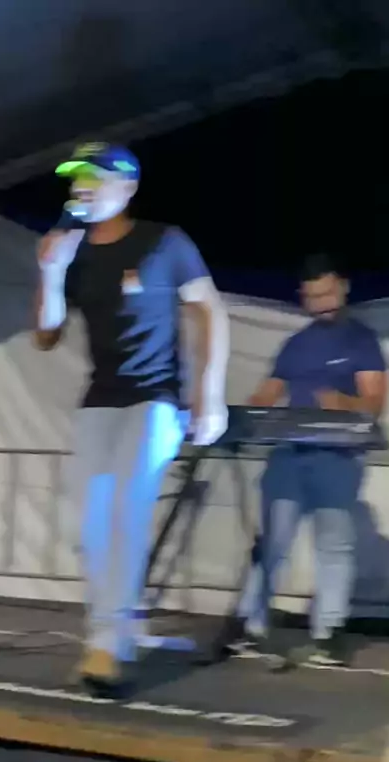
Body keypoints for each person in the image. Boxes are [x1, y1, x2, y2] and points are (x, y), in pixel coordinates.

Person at [35, 141, 229, 690]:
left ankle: (106, 642)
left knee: (126, 510)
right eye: (76, 179)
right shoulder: (72, 249)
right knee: (90, 525)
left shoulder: (164, 242)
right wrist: (50, 273)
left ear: (127, 187)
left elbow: (209, 310)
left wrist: (209, 393)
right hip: (101, 397)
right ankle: (116, 630)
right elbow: (46, 336)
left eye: (93, 178)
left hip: (156, 397)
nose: (81, 188)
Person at [235, 254, 387, 666]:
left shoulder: (362, 341)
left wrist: (342, 403)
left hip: (337, 458)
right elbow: (266, 395)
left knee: (333, 544)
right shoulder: (296, 344)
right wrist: (244, 415)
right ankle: (251, 626)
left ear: (344, 288)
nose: (321, 303)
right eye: (313, 296)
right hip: (288, 456)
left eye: (328, 293)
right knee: (273, 542)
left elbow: (374, 403)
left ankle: (328, 633)